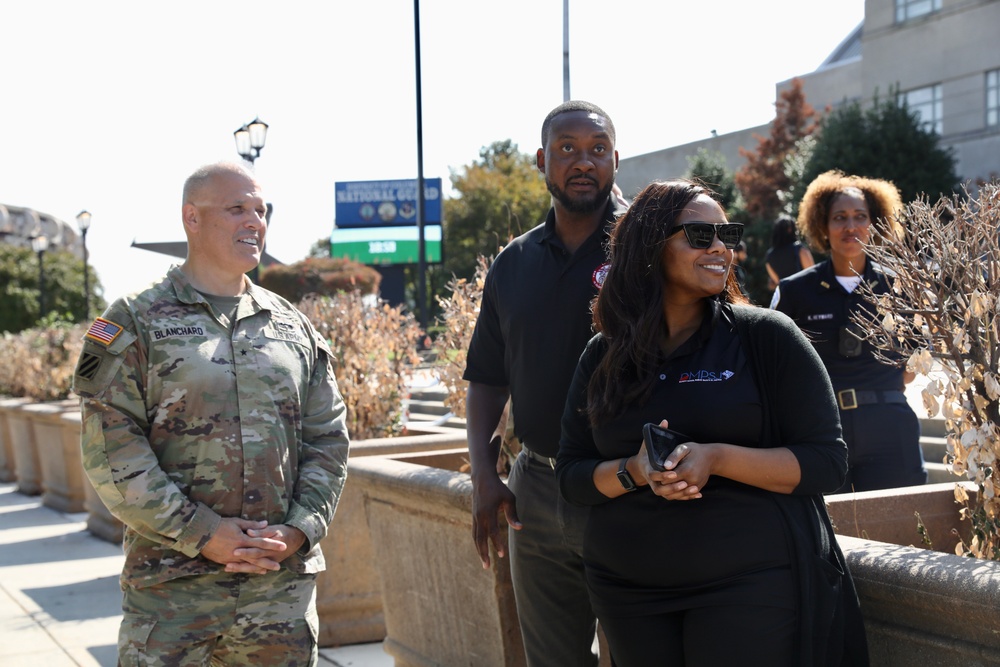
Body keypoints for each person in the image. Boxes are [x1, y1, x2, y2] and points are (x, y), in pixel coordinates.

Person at [557, 179, 868, 666]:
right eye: (701, 236)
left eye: (729, 234)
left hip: (749, 583)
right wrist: (637, 470)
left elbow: (827, 462)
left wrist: (715, 458)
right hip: (627, 591)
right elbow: (572, 477)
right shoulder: (603, 355)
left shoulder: (765, 337)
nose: (721, 247)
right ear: (651, 245)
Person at [73, 161, 350, 666]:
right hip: (174, 597)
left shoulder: (294, 328)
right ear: (191, 219)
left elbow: (328, 439)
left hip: (278, 598)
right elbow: (110, 446)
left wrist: (299, 529)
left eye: (261, 211)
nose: (255, 222)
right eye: (237, 208)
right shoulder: (130, 320)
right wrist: (201, 531)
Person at [463, 100, 625, 666]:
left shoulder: (650, 250)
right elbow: (486, 378)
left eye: (597, 149)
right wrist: (485, 475)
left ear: (616, 159)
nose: (584, 162)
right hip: (535, 492)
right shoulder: (513, 263)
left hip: (629, 487)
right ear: (541, 161)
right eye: (567, 149)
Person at [771, 170, 927, 492]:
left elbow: (913, 369)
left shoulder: (900, 286)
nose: (851, 226)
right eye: (839, 217)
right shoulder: (794, 291)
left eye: (860, 216)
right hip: (824, 431)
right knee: (831, 535)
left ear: (875, 223)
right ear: (822, 226)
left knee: (899, 532)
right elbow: (774, 366)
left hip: (889, 425)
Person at [765, 213, 815, 290]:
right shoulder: (800, 249)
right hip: (804, 295)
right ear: (790, 229)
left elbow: (778, 281)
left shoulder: (769, 256)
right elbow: (813, 275)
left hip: (786, 297)